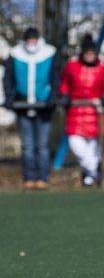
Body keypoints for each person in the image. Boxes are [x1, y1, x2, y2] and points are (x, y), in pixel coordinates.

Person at [3, 27, 62, 190]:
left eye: (33, 39)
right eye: (28, 40)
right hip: (22, 107)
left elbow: (56, 77)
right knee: (28, 146)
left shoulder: (49, 53)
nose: (31, 43)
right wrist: (9, 97)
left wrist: (53, 96)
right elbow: (8, 78)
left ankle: (43, 178)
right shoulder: (15, 54)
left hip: (44, 108)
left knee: (42, 145)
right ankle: (28, 178)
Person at [59, 35, 104, 187]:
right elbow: (64, 84)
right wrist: (64, 95)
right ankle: (95, 173)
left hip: (95, 113)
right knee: (77, 146)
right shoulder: (71, 66)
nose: (90, 55)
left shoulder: (100, 68)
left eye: (92, 53)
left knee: (93, 149)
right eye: (87, 52)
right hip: (75, 113)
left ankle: (89, 179)